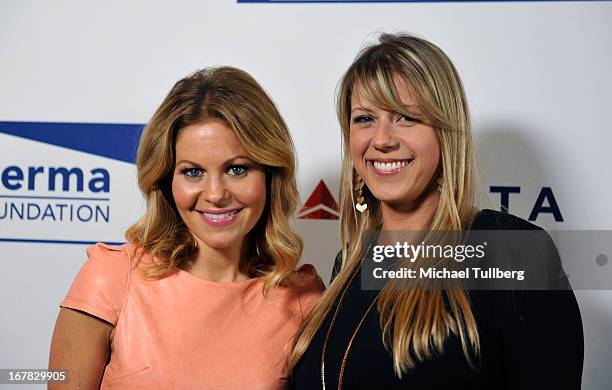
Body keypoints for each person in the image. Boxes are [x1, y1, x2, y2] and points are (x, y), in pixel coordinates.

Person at [289, 33, 583, 389]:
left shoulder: (512, 251)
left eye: (406, 118)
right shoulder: (350, 259)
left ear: (446, 132)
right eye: (365, 119)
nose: (381, 139)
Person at [49, 66, 324, 389]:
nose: (216, 194)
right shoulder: (111, 277)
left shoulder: (301, 299)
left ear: (269, 175)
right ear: (167, 180)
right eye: (193, 172)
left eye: (237, 169)